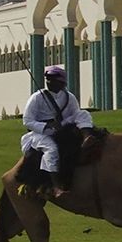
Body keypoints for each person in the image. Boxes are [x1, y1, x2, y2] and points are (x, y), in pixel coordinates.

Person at [22, 65, 95, 194]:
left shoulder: (69, 97)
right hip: (40, 133)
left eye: (53, 79)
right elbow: (27, 121)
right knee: (52, 149)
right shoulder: (36, 98)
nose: (49, 82)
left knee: (82, 113)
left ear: (62, 82)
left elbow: (75, 114)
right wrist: (47, 126)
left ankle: (86, 138)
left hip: (62, 126)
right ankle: (56, 185)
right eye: (48, 79)